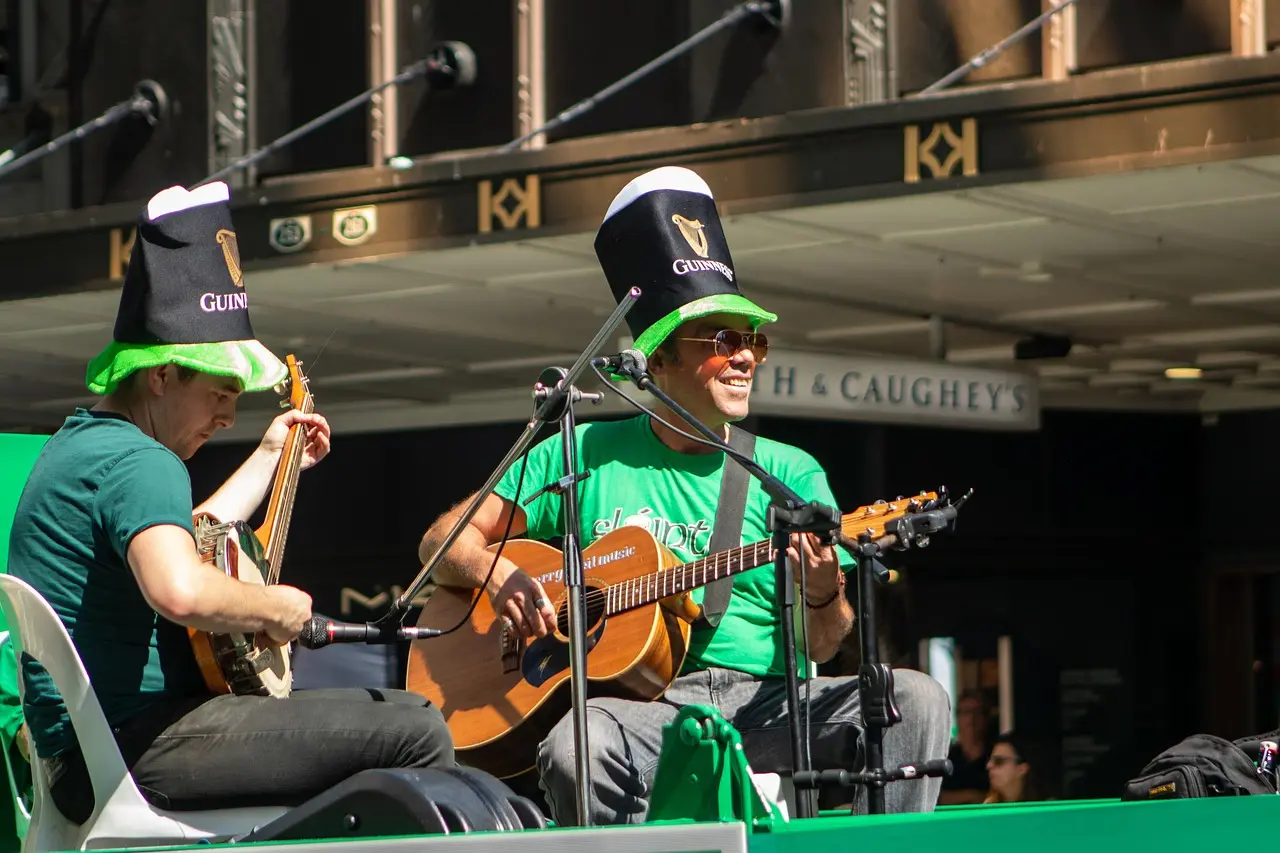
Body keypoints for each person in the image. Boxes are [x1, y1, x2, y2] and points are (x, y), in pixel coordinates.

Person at [418, 166, 951, 825]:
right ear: (658, 359)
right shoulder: (578, 449)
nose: (746, 356)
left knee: (919, 699)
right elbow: (441, 542)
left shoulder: (789, 472)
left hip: (770, 701)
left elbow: (823, 643)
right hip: (648, 709)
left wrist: (821, 590)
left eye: (753, 339)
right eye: (724, 339)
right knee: (577, 743)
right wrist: (496, 570)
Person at [6, 182, 453, 825]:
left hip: (83, 753)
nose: (228, 414)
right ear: (162, 374)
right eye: (219, 390)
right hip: (136, 748)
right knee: (414, 726)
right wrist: (278, 605)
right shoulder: (144, 461)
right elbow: (181, 591)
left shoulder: (84, 447)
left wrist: (275, 456)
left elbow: (184, 537)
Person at [939, 690, 992, 805]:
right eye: (966, 712)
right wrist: (971, 795)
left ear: (986, 718)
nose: (971, 718)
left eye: (978, 712)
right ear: (957, 719)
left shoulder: (994, 757)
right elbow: (935, 797)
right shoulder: (945, 758)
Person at [983, 731, 1048, 804]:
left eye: (998, 761)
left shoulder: (1048, 808)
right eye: (989, 760)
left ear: (1022, 769)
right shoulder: (989, 805)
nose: (989, 765)